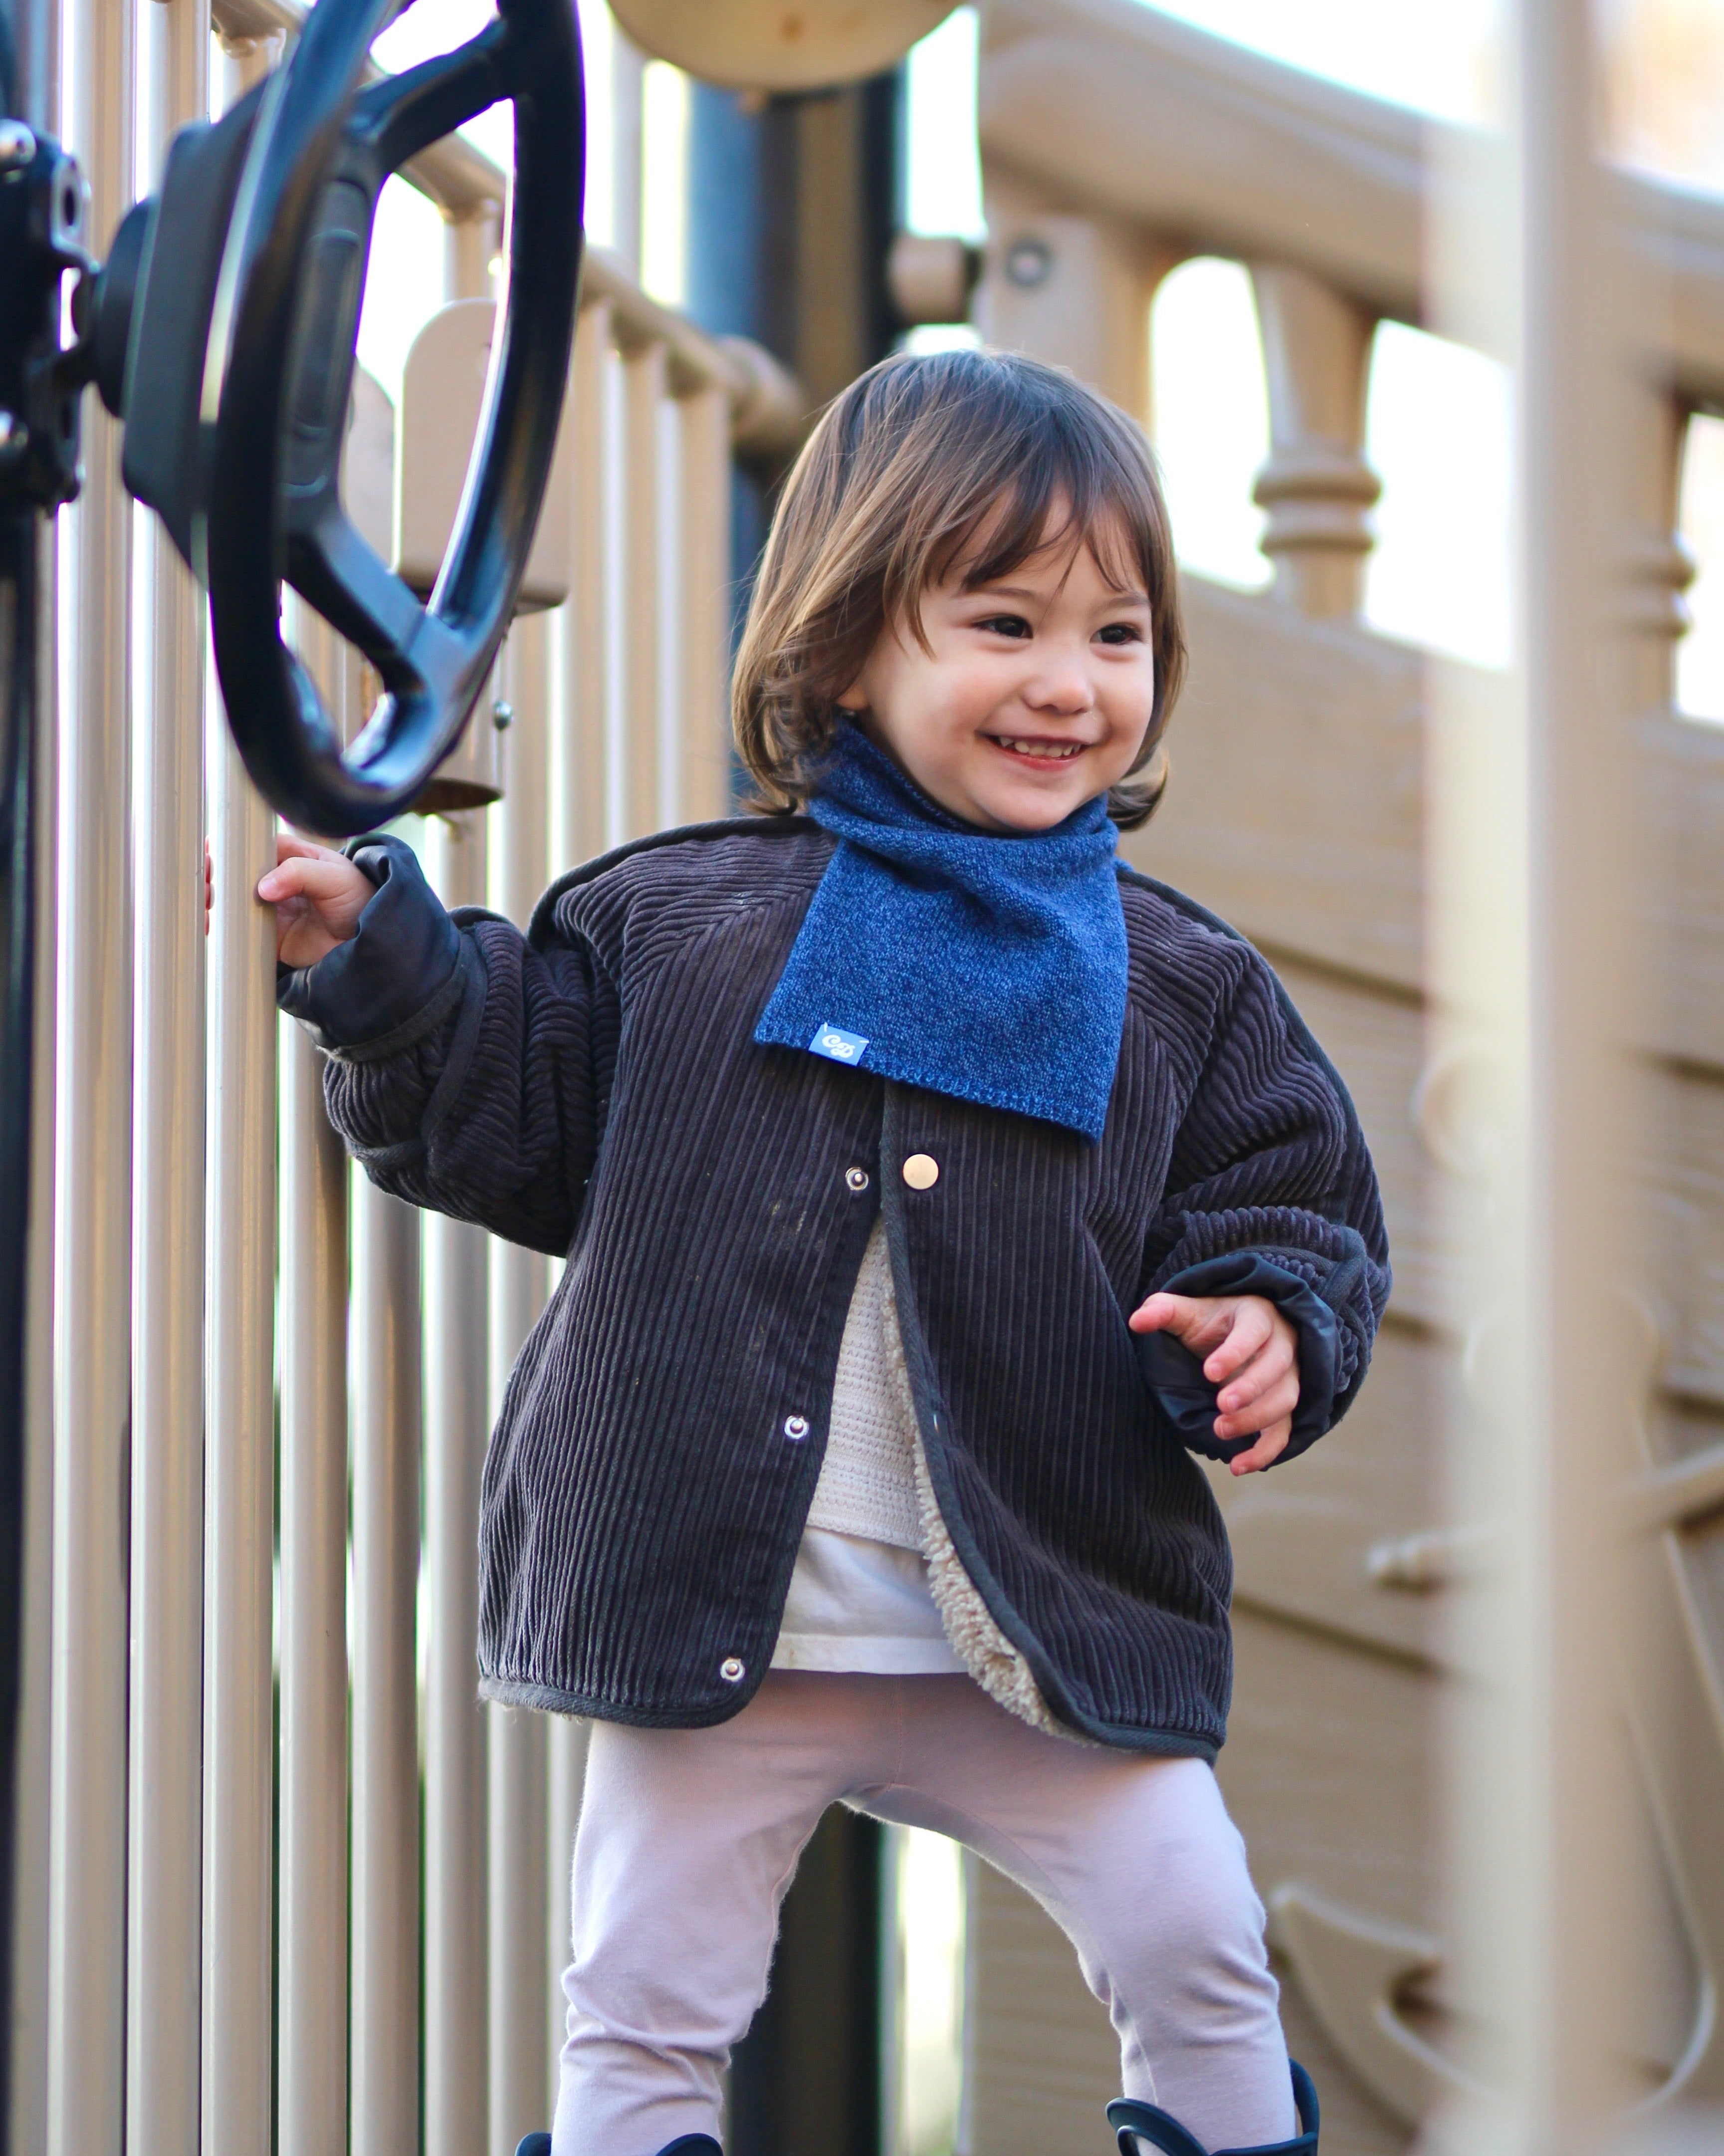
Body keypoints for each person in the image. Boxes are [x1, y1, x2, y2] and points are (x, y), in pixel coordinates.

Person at [264, 348, 1389, 2156]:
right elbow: (510, 1094)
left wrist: (1270, 1315)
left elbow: (1294, 1197)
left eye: (1118, 635)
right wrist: (382, 965)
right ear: (849, 645)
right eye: (1003, 620)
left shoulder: (1183, 982)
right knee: (640, 1997)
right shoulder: (686, 924)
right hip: (728, 1618)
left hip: (1034, 1625)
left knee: (1200, 1945)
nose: (1067, 682)